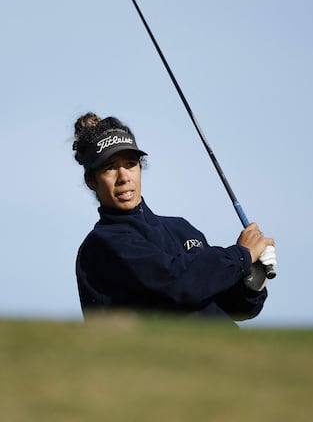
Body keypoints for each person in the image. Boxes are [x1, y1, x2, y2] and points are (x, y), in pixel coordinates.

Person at [72, 112, 276, 325]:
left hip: (224, 355)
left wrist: (252, 281)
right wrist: (240, 256)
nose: (124, 177)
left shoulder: (181, 228)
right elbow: (178, 284)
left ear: (140, 168)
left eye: (131, 164)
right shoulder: (103, 244)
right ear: (91, 180)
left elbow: (231, 307)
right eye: (110, 168)